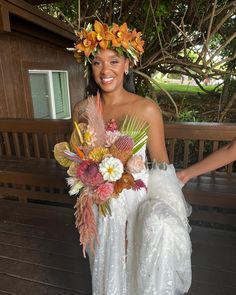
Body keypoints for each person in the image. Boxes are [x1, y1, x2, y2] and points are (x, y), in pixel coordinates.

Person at [72, 20, 192, 295]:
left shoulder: (146, 109)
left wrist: (169, 214)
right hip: (100, 204)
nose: (106, 70)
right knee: (105, 266)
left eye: (114, 60)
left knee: (136, 266)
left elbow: (161, 166)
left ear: (127, 65)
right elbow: (77, 159)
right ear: (90, 67)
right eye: (97, 62)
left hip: (136, 202)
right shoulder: (82, 109)